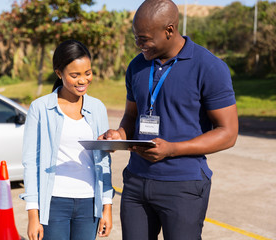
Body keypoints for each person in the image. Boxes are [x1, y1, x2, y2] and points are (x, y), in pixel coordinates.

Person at [99, 0, 239, 239]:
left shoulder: (209, 67)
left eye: (144, 39)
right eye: (136, 38)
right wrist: (120, 135)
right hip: (136, 182)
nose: (139, 45)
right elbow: (131, 115)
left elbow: (228, 133)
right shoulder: (136, 66)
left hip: (183, 185)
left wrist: (173, 149)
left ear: (170, 30)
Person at [20, 39, 114, 240]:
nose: (83, 80)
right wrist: (33, 214)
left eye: (87, 73)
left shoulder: (97, 108)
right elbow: (31, 163)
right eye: (75, 75)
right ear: (59, 73)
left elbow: (105, 161)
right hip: (53, 202)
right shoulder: (40, 108)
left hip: (89, 203)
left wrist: (107, 207)